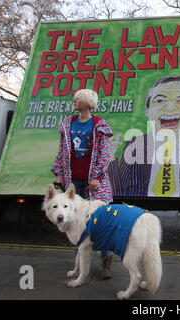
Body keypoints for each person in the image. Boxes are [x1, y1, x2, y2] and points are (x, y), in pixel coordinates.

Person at [52, 88, 114, 279]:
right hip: (73, 182)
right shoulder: (67, 123)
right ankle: (79, 264)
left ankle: (106, 263)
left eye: (76, 99)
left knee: (101, 221)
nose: (74, 101)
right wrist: (60, 174)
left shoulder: (99, 125)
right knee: (75, 222)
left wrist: (96, 177)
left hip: (95, 182)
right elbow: (63, 150)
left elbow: (105, 154)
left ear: (86, 102)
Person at [118, 75, 180, 197]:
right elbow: (119, 191)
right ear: (147, 110)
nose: (170, 108)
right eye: (159, 100)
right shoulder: (135, 144)